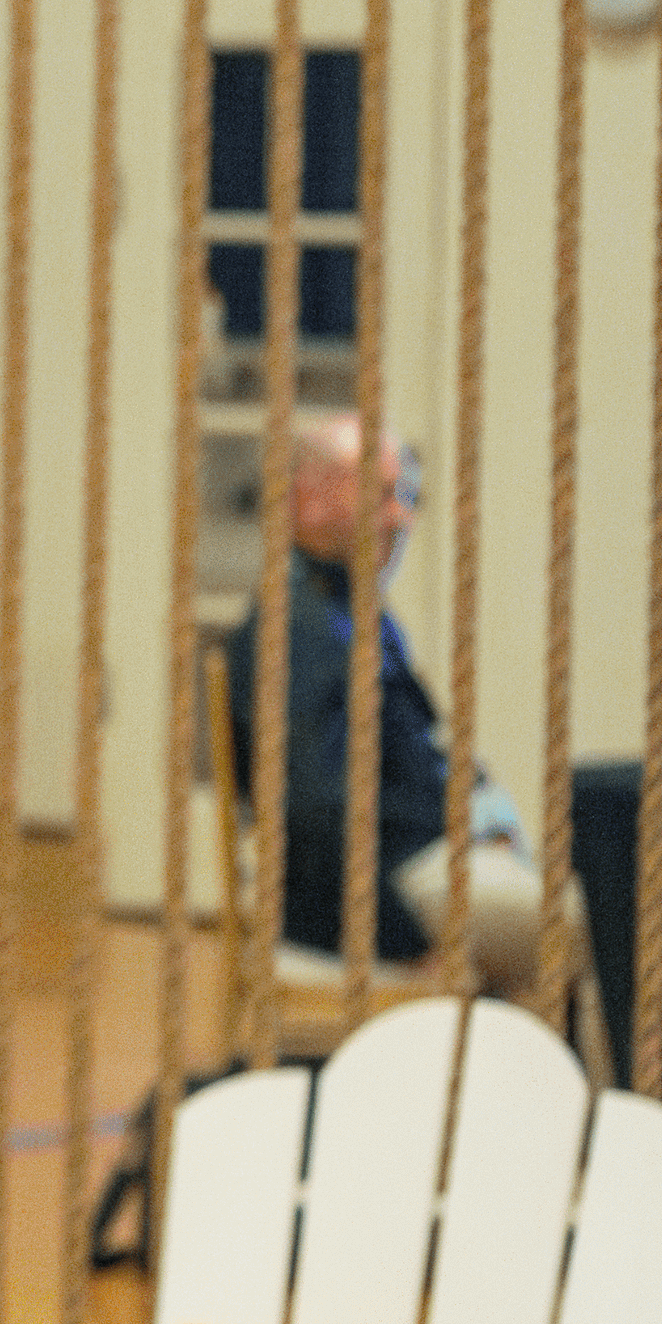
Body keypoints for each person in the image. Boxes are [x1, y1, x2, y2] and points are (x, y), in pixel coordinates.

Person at [224, 411, 553, 999]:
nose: (401, 516)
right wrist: (408, 939)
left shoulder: (345, 605)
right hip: (355, 905)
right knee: (597, 918)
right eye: (377, 494)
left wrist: (488, 819)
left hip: (411, 864)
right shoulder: (296, 627)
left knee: (595, 899)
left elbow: (422, 747)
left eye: (404, 497)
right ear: (307, 498)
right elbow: (315, 810)